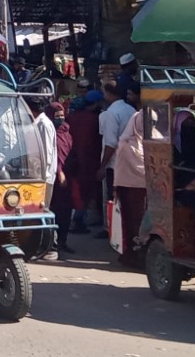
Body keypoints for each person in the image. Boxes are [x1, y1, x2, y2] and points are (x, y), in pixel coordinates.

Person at [115, 109, 158, 269]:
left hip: (151, 190)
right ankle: (133, 256)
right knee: (133, 224)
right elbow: (125, 169)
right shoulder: (127, 142)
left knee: (148, 224)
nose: (150, 126)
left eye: (153, 123)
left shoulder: (157, 138)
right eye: (147, 122)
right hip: (130, 189)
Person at [96, 82, 135, 238]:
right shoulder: (130, 110)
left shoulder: (111, 113)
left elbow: (110, 143)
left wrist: (102, 167)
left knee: (111, 198)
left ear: (108, 93)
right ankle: (123, 229)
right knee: (125, 198)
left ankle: (111, 230)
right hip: (130, 161)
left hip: (114, 163)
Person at [68, 90, 104, 234]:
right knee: (87, 192)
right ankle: (78, 220)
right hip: (90, 161)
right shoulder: (95, 119)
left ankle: (77, 219)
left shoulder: (71, 117)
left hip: (73, 160)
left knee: (76, 191)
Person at [47, 102, 76, 256]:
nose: (60, 118)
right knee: (54, 211)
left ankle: (62, 242)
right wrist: (59, 172)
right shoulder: (50, 133)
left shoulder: (66, 132)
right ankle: (52, 244)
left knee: (65, 211)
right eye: (57, 116)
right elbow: (53, 155)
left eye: (62, 115)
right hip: (56, 178)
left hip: (68, 177)